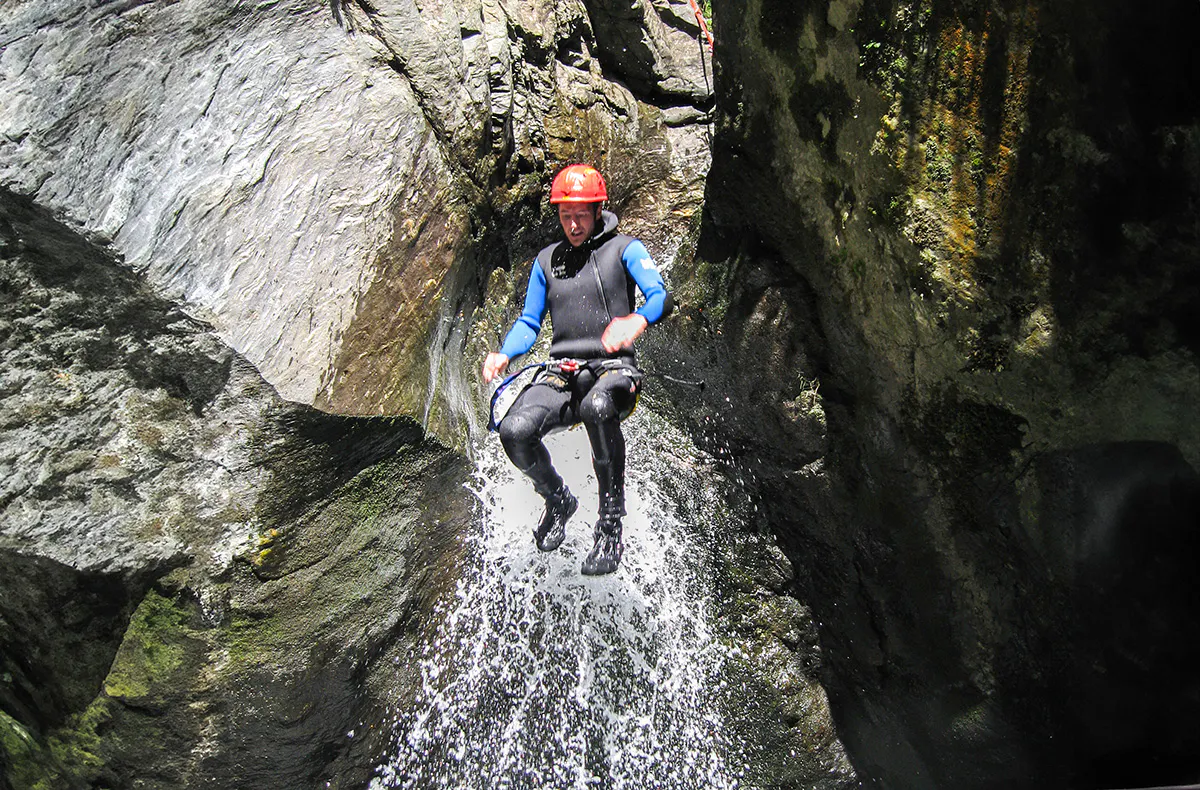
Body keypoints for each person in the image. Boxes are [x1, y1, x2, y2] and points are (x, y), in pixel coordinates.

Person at [482, 164, 673, 575]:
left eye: (581, 215)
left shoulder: (626, 248)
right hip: (564, 372)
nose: (573, 224)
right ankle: (557, 500)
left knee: (597, 407)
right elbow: (530, 323)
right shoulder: (546, 261)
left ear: (598, 208)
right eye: (565, 215)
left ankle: (609, 525)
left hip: (613, 371)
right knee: (514, 431)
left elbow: (660, 295)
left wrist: (637, 320)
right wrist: (504, 353)